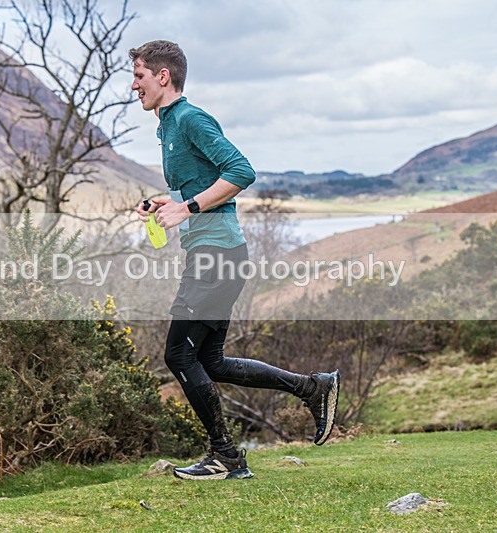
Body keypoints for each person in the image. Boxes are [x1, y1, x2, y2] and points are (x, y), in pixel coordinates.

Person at [131, 40, 340, 480]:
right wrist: (167, 202)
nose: (135, 86)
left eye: (139, 76)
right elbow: (199, 186)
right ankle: (312, 387)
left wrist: (187, 208)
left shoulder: (190, 118)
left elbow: (242, 171)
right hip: (213, 254)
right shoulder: (167, 127)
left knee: (178, 355)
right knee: (212, 361)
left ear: (163, 77)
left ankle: (226, 455)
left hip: (217, 256)